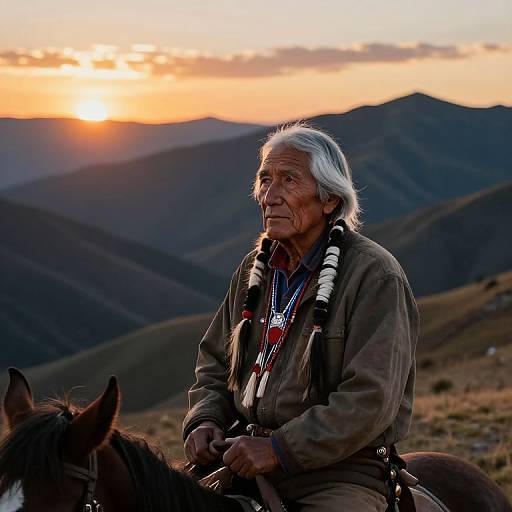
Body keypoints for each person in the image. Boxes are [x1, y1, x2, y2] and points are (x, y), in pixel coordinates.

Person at [182, 122, 419, 511]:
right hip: (239, 457)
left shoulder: (374, 276)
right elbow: (215, 362)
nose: (268, 196)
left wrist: (279, 448)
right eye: (264, 180)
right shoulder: (253, 270)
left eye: (288, 180)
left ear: (329, 200)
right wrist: (204, 420)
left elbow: (370, 399)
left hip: (337, 474)